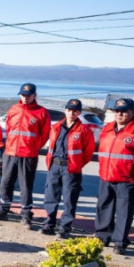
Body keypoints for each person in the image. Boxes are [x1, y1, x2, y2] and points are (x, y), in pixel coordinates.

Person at [95, 98, 134, 255]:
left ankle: (120, 242)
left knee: (124, 212)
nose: (119, 114)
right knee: (104, 208)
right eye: (117, 111)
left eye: (123, 111)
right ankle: (102, 236)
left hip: (128, 180)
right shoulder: (107, 128)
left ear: (132, 112)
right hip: (106, 177)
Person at [0, 83, 50, 228]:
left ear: (35, 95)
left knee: (25, 185)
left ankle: (26, 214)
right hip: (10, 152)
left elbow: (44, 134)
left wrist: (32, 147)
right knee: (6, 182)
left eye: (28, 95)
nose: (25, 98)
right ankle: (3, 210)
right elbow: (9, 129)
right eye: (23, 95)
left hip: (28, 155)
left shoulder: (41, 112)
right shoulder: (13, 109)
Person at [39, 99, 96, 238]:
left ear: (79, 112)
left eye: (75, 111)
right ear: (65, 110)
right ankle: (49, 224)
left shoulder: (84, 130)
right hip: (54, 166)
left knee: (69, 199)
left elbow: (88, 152)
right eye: (69, 110)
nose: (72, 113)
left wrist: (76, 164)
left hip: (71, 169)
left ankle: (65, 227)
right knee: (51, 196)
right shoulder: (57, 127)